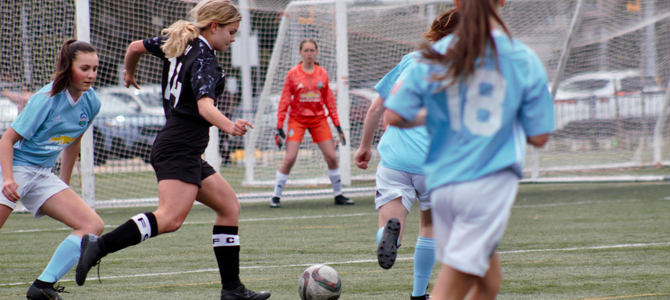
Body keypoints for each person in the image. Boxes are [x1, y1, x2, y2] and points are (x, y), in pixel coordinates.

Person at [74, 1, 271, 299]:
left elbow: (134, 46)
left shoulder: (179, 40)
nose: (233, 38)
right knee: (169, 219)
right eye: (231, 32)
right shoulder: (205, 58)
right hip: (179, 145)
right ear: (214, 26)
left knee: (229, 207)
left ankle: (232, 289)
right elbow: (205, 106)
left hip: (184, 147)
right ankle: (98, 246)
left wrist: (129, 73)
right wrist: (230, 126)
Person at [384, 0, 555, 299]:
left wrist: (441, 116)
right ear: (502, 2)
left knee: (489, 282)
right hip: (485, 184)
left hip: (443, 183)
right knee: (452, 285)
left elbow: (395, 114)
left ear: (456, 2)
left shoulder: (435, 54)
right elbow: (539, 136)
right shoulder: (520, 57)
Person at [354, 8, 460, 300]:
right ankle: (417, 294)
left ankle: (389, 236)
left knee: (391, 224)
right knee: (429, 226)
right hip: (432, 163)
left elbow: (376, 108)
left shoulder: (411, 60)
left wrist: (364, 147)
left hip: (395, 159)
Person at [0, 40, 104, 300]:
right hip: (14, 167)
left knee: (92, 225)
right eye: (84, 68)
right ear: (68, 68)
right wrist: (9, 179)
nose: (91, 74)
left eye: (95, 68)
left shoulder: (92, 102)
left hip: (43, 173)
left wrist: (64, 182)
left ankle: (42, 287)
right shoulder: (46, 99)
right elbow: (7, 140)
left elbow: (73, 142)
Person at [270, 39, 352, 208]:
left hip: (318, 120)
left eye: (312, 50)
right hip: (297, 120)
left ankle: (338, 195)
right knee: (290, 158)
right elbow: (285, 100)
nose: (309, 53)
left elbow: (329, 100)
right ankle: (276, 197)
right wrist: (279, 126)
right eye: (306, 50)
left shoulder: (322, 73)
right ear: (300, 53)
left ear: (316, 52)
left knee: (332, 157)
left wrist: (337, 125)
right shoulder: (293, 74)